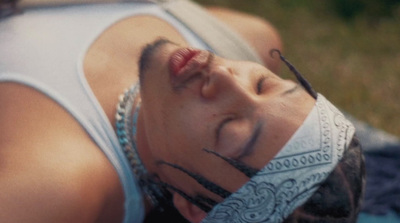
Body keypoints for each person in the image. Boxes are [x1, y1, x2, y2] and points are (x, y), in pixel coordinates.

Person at [0, 0, 365, 222]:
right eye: (263, 85)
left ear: (195, 209)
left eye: (228, 129)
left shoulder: (55, 186)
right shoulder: (244, 37)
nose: (223, 75)